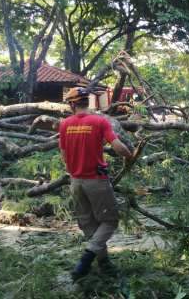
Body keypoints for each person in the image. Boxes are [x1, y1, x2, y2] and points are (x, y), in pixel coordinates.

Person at [59, 87, 134, 280]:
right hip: (96, 181)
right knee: (109, 221)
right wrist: (130, 156)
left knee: (88, 224)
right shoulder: (99, 122)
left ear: (72, 104)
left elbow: (64, 155)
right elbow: (117, 146)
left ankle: (104, 264)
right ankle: (87, 257)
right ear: (87, 102)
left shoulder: (65, 124)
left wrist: (75, 170)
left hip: (75, 182)